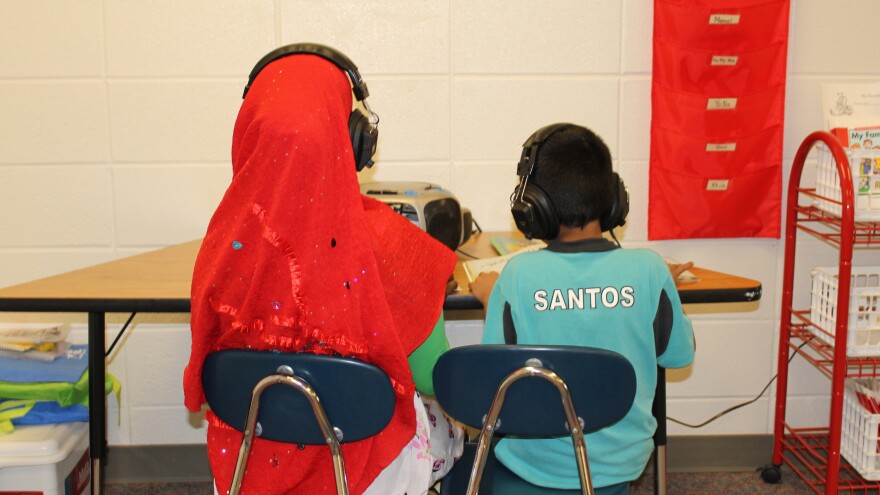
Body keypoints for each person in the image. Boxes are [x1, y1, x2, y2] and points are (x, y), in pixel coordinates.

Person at [183, 44, 462, 495]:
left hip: (249, 468)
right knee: (444, 423)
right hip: (367, 473)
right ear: (352, 139)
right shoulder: (391, 243)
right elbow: (433, 375)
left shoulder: (220, 247)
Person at [469, 123, 695, 495]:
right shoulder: (650, 270)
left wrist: (493, 299)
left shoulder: (516, 276)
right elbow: (679, 355)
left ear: (534, 206)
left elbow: (494, 384)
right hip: (619, 469)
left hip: (533, 467)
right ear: (612, 201)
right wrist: (656, 287)